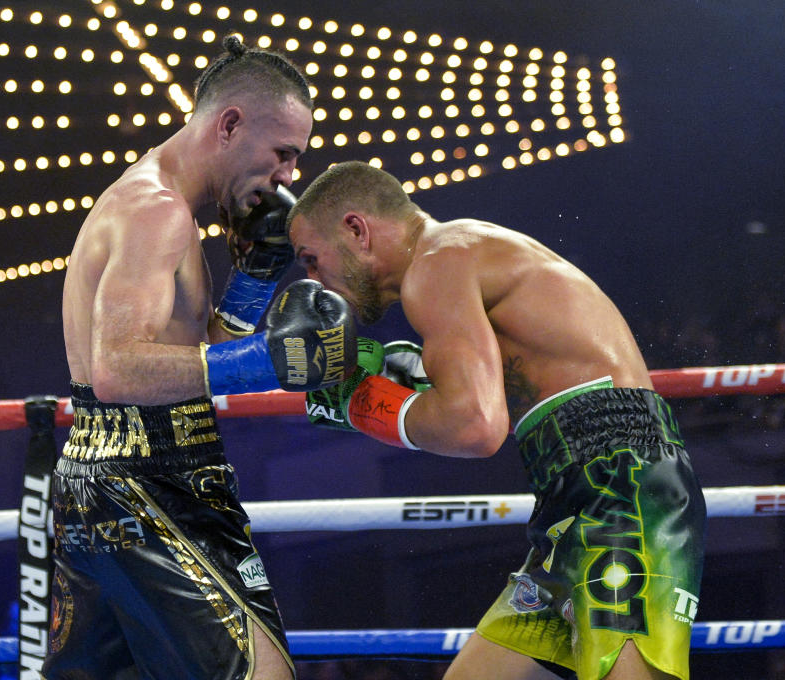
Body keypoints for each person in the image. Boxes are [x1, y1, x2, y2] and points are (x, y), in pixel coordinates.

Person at [287, 160, 706, 680]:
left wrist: (359, 402)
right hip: (578, 491)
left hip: (620, 485)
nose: (313, 280)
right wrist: (397, 383)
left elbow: (475, 426)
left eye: (311, 259)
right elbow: (497, 401)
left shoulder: (437, 262)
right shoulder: (460, 257)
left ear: (356, 229)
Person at [45, 36, 356, 680]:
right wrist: (265, 362)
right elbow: (117, 369)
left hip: (122, 478)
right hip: (144, 483)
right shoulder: (155, 212)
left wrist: (252, 284)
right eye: (283, 153)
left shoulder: (163, 206)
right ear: (230, 124)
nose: (288, 177)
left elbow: (181, 361)